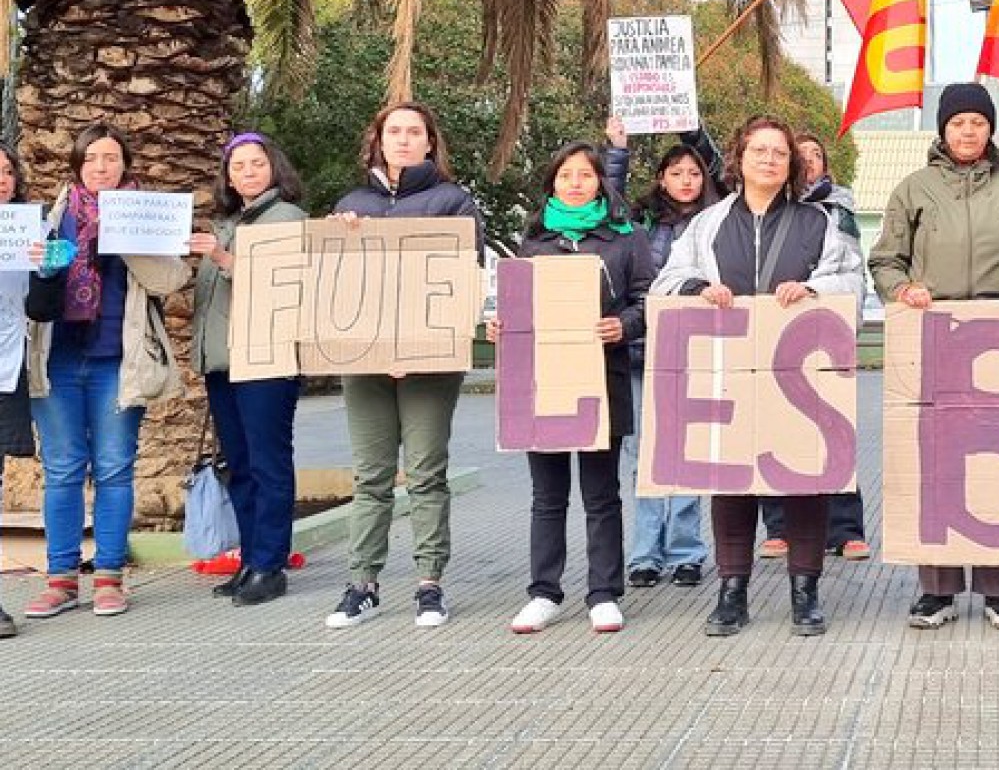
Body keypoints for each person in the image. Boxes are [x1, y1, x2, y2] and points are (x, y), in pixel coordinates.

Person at [651, 117, 864, 637]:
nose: (769, 160)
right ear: (739, 158)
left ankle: (805, 589)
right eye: (759, 151)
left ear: (791, 163)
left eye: (779, 153)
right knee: (731, 479)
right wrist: (700, 286)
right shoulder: (707, 224)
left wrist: (814, 290)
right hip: (731, 367)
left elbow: (852, 279)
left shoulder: (819, 222)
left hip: (800, 370)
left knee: (804, 477)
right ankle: (732, 590)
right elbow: (668, 280)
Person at [869, 82, 999, 629]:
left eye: (978, 123)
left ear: (990, 129)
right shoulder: (913, 189)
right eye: (958, 123)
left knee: (997, 461)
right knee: (936, 461)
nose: (968, 132)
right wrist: (903, 289)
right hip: (938, 342)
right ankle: (936, 591)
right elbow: (885, 259)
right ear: (943, 128)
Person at [324, 102, 485, 631]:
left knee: (424, 472)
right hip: (365, 361)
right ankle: (362, 582)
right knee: (370, 475)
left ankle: (429, 582)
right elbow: (332, 285)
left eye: (414, 131)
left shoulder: (453, 202)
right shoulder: (352, 203)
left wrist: (411, 349)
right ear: (378, 140)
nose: (403, 139)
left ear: (430, 143)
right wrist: (335, 237)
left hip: (429, 364)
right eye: (394, 131)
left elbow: (465, 277)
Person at [19, 125, 190, 619]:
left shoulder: (144, 215)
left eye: (111, 158)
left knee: (114, 468)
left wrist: (129, 238)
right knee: (63, 470)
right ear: (77, 165)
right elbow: (29, 292)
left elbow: (173, 279)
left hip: (118, 359)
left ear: (124, 164)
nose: (101, 166)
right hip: (57, 362)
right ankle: (62, 580)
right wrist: (46, 267)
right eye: (91, 157)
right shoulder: (50, 218)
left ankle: (110, 578)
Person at [493, 143, 652, 635]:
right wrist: (503, 326)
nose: (576, 183)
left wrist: (623, 325)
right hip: (542, 385)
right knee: (548, 495)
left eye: (585, 175)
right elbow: (517, 304)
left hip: (601, 383)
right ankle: (544, 592)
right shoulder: (534, 242)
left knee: (601, 494)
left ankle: (604, 592)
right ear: (553, 184)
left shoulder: (626, 239)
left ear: (601, 182)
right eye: (566, 175)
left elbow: (650, 299)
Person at [189, 133, 308, 608]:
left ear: (274, 168)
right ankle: (249, 559)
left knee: (268, 462)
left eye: (256, 164)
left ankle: (270, 564)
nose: (248, 173)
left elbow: (280, 285)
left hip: (266, 360)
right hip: (223, 361)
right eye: (238, 166)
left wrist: (220, 257)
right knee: (238, 465)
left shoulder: (289, 219)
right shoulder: (225, 223)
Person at [603, 117, 719, 590]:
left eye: (694, 172)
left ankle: (688, 550)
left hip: (699, 352)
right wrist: (617, 150)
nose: (687, 180)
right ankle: (646, 552)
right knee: (645, 454)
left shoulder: (719, 220)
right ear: (661, 179)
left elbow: (718, 162)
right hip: (641, 353)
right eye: (676, 173)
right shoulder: (639, 224)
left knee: (689, 452)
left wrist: (688, 124)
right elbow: (606, 205)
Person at [759, 131, 871, 562]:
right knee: (773, 429)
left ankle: (844, 528)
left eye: (815, 154)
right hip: (770, 333)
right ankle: (780, 526)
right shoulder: (764, 208)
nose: (807, 161)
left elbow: (851, 270)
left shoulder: (837, 211)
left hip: (823, 334)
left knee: (832, 428)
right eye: (798, 154)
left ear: (827, 165)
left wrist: (841, 316)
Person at [0, 146, 34, 635]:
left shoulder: (28, 231)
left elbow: (44, 304)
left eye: (7, 171)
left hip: (6, 372)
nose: (2, 179)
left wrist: (52, 263)